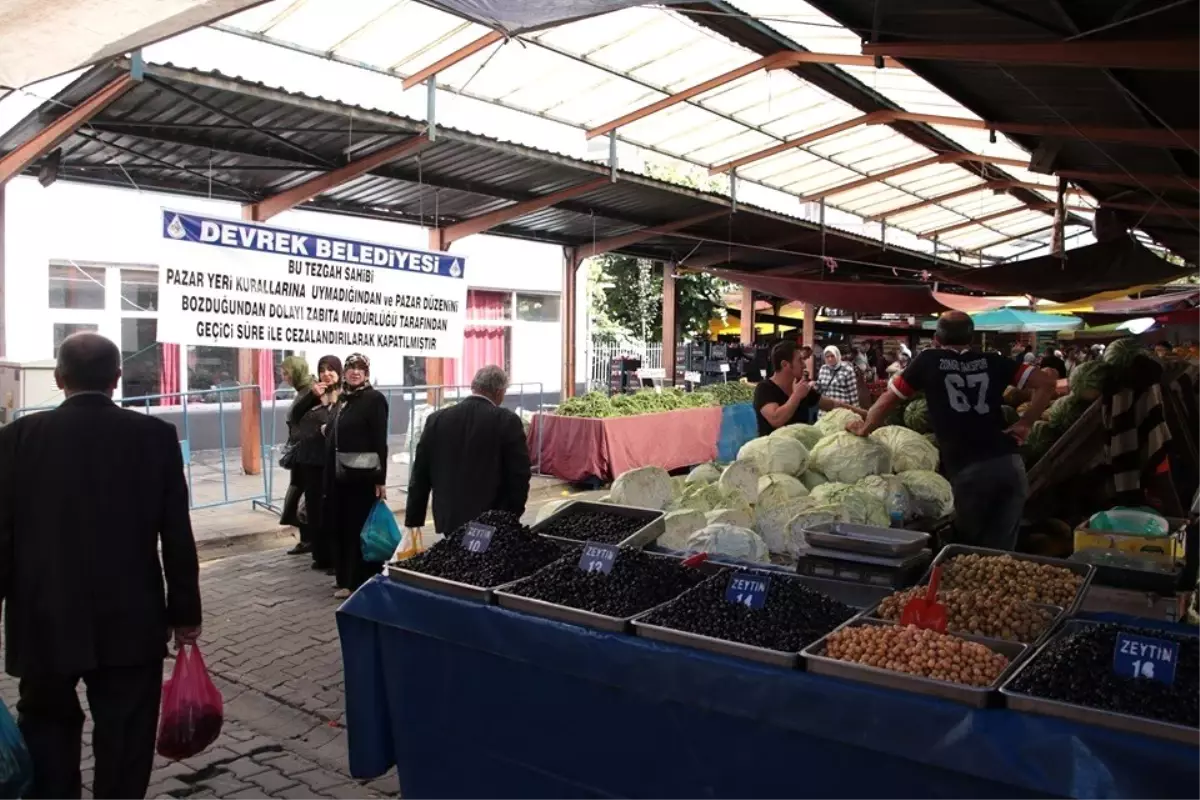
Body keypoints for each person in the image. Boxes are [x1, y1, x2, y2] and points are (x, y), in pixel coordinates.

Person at [0, 332, 201, 800]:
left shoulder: (16, 440)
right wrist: (185, 613)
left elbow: (2, 535)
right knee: (127, 734)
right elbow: (175, 532)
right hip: (131, 618)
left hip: (43, 617)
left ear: (58, 377)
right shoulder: (155, 437)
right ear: (117, 379)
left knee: (46, 726)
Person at [848, 312, 1056, 550]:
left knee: (971, 553)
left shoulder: (928, 360)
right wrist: (1026, 422)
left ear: (936, 338)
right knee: (1000, 552)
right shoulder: (993, 360)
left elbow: (887, 400)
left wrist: (865, 428)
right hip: (1009, 465)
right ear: (972, 337)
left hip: (969, 471)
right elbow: (1047, 383)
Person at [405, 365, 532, 538]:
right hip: (491, 519)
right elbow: (519, 474)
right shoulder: (506, 421)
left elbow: (420, 473)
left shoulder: (437, 419)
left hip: (449, 517)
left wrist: (414, 519)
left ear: (474, 387)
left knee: (456, 563)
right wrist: (512, 514)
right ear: (499, 392)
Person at [324, 353, 389, 599]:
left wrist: (381, 479)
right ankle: (344, 577)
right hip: (339, 474)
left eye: (360, 368)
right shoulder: (344, 398)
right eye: (351, 367)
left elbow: (379, 440)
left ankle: (358, 580)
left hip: (362, 475)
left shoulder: (374, 399)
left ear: (367, 373)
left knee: (357, 528)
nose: (355, 372)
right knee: (341, 526)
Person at [281, 355, 341, 570]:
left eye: (331, 369)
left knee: (331, 509)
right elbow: (296, 415)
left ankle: (335, 558)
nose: (326, 373)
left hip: (332, 459)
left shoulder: (344, 395)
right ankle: (320, 554)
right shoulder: (315, 392)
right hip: (310, 457)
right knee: (314, 507)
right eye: (322, 369)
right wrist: (311, 398)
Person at [753, 341, 865, 436]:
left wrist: (867, 415)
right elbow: (776, 419)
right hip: (773, 454)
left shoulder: (802, 388)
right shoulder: (765, 388)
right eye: (800, 360)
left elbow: (833, 405)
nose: (804, 365)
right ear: (785, 364)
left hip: (801, 451)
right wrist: (796, 396)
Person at [815, 345, 859, 417]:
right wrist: (813, 386)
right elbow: (819, 389)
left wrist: (856, 413)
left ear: (837, 356)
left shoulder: (847, 370)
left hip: (841, 412)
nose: (830, 359)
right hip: (824, 412)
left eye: (832, 356)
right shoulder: (823, 369)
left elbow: (853, 394)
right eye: (827, 357)